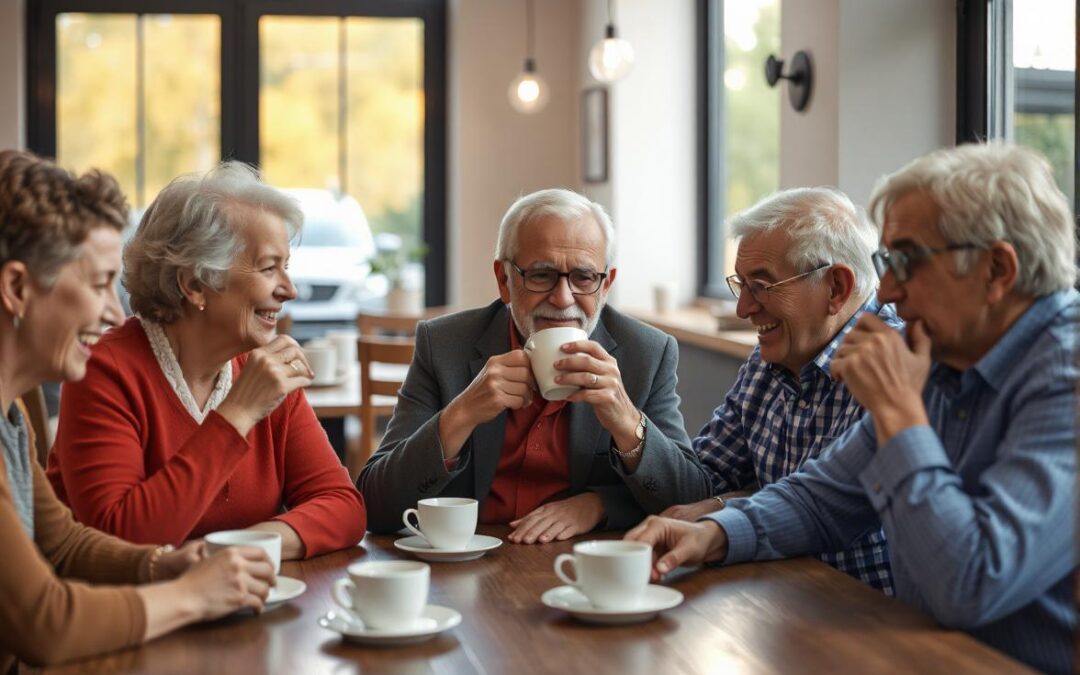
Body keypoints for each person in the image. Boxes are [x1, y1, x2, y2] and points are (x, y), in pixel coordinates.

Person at [626, 143, 1077, 674]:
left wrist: (898, 413)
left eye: (906, 260)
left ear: (997, 269)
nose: (886, 289)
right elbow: (821, 499)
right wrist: (715, 534)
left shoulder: (1064, 375)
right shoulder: (942, 354)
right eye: (886, 263)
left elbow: (971, 583)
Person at [0, 150, 276, 671]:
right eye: (100, 283)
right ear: (16, 288)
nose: (113, 311)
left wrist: (163, 564)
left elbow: (61, 543)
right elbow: (45, 623)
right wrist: (194, 594)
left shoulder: (8, 418)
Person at [47, 162, 366, 559]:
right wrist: (239, 412)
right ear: (196, 284)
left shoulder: (264, 370)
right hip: (132, 616)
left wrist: (240, 549)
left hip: (242, 606)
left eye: (287, 267)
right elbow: (121, 537)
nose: (290, 290)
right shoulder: (103, 370)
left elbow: (344, 507)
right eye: (269, 268)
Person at [359, 188, 710, 543]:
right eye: (541, 275)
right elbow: (376, 505)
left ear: (606, 286)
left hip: (581, 563)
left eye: (584, 278)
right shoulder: (445, 345)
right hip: (463, 559)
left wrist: (620, 440)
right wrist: (462, 413)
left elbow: (690, 500)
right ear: (504, 280)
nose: (562, 299)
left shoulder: (646, 354)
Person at [662, 187, 898, 594]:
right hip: (776, 598)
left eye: (762, 285)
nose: (743, 309)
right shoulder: (773, 356)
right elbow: (701, 483)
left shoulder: (895, 364)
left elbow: (827, 503)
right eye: (741, 284)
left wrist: (726, 509)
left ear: (836, 288)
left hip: (865, 620)